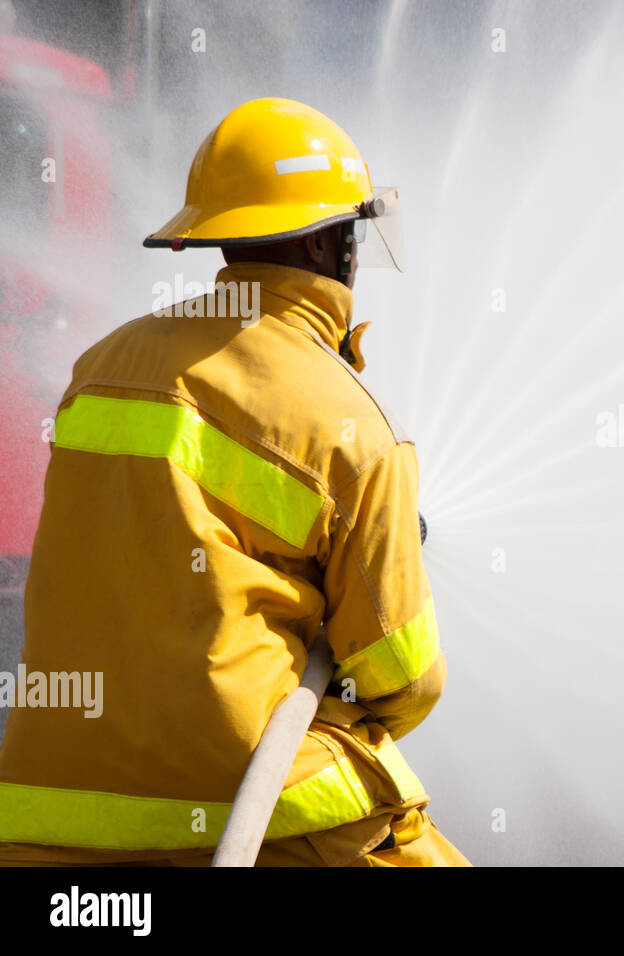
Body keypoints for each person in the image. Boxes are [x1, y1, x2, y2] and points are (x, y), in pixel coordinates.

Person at [0, 97, 469, 866]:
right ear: (324, 246)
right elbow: (402, 680)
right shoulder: (352, 425)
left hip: (46, 822)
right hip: (252, 815)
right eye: (349, 232)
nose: (355, 253)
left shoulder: (101, 366)